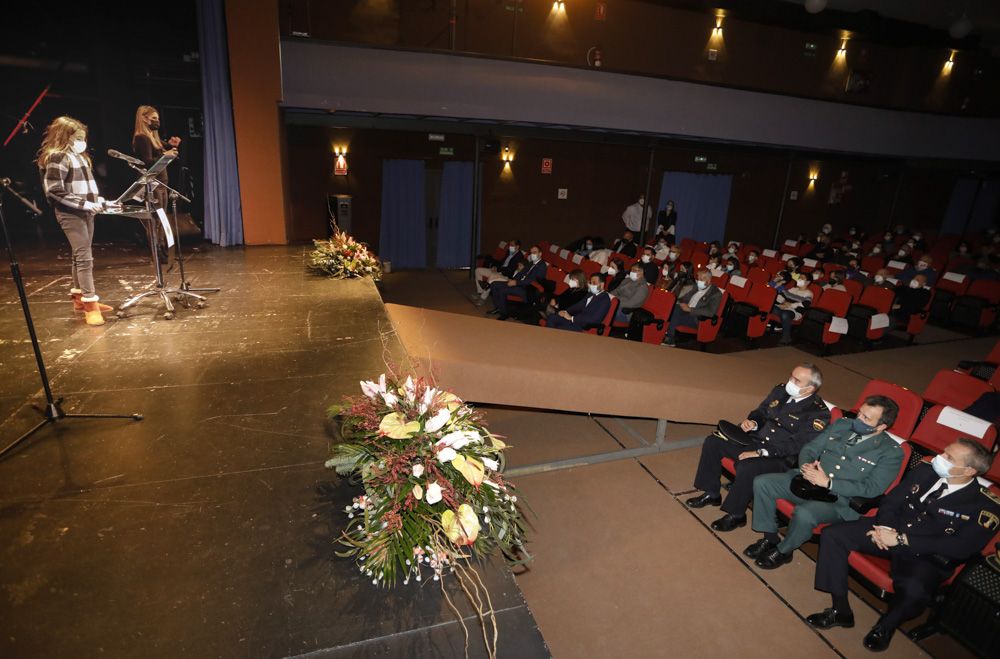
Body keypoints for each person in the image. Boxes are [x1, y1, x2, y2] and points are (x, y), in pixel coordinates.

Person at [806, 440, 999, 652]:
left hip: (924, 554)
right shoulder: (925, 471)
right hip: (889, 530)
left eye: (950, 458)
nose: (939, 458)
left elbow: (962, 547)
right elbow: (892, 502)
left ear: (970, 470)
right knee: (833, 535)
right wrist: (886, 529)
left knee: (915, 591)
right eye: (944, 451)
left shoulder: (985, 506)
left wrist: (900, 539)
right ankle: (840, 610)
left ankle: (885, 626)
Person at [745, 396, 904, 570]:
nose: (859, 419)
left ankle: (784, 550)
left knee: (805, 513)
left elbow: (872, 488)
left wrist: (829, 483)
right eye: (860, 413)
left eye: (866, 418)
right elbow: (810, 448)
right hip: (809, 481)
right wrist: (807, 465)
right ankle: (770, 538)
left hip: (839, 499)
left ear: (881, 426)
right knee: (763, 483)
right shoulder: (842, 425)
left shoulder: (891, 452)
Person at [686, 364, 831, 532]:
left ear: (810, 388)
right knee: (714, 441)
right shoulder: (781, 390)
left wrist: (760, 452)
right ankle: (712, 493)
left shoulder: (818, 413)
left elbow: (797, 444)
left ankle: (736, 514)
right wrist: (753, 422)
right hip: (756, 440)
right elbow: (761, 412)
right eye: (791, 376)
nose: (790, 381)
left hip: (780, 457)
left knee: (748, 466)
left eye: (796, 380)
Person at [38, 116, 116, 326]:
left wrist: (96, 200)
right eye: (78, 137)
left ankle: (79, 300)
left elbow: (84, 186)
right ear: (66, 136)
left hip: (85, 212)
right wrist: (84, 205)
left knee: (78, 256)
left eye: (83, 137)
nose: (83, 141)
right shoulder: (57, 157)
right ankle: (90, 304)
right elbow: (54, 190)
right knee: (84, 258)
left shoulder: (79, 157)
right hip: (70, 213)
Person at [132, 105, 180, 210]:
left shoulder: (153, 137)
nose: (157, 121)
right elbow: (147, 162)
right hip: (153, 185)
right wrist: (164, 155)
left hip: (162, 184)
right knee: (156, 219)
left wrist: (173, 145)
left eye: (158, 119)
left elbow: (166, 148)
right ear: (144, 118)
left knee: (162, 219)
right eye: (154, 118)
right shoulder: (142, 137)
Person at [663, 269, 722, 346]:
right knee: (672, 308)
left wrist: (690, 309)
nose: (699, 281)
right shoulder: (696, 287)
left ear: (709, 280)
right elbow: (684, 298)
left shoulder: (715, 294)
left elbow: (710, 312)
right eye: (698, 279)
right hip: (684, 311)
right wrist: (679, 301)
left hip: (696, 318)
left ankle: (669, 337)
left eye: (701, 279)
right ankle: (667, 334)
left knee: (674, 313)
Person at [489, 245, 547, 320]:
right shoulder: (530, 263)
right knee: (494, 284)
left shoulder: (542, 266)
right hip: (519, 284)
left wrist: (516, 283)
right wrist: (513, 280)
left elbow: (533, 281)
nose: (532, 254)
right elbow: (521, 273)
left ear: (540, 254)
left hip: (527, 289)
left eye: (534, 252)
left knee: (502, 290)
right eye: (531, 252)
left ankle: (504, 313)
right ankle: (498, 308)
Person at [546, 273, 611, 332]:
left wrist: (572, 318)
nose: (591, 285)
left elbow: (595, 319)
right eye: (591, 283)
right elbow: (577, 306)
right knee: (552, 317)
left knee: (559, 327)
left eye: (594, 283)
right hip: (575, 320)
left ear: (602, 285)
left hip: (582, 326)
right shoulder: (590, 294)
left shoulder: (605, 300)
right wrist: (565, 312)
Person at [772, 275, 814, 345]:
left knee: (785, 314)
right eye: (799, 277)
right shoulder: (793, 289)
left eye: (802, 278)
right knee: (770, 307)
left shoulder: (809, 293)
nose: (799, 279)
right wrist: (783, 303)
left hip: (795, 312)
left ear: (808, 282)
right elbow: (781, 296)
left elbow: (805, 304)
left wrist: (789, 305)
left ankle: (786, 338)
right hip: (783, 308)